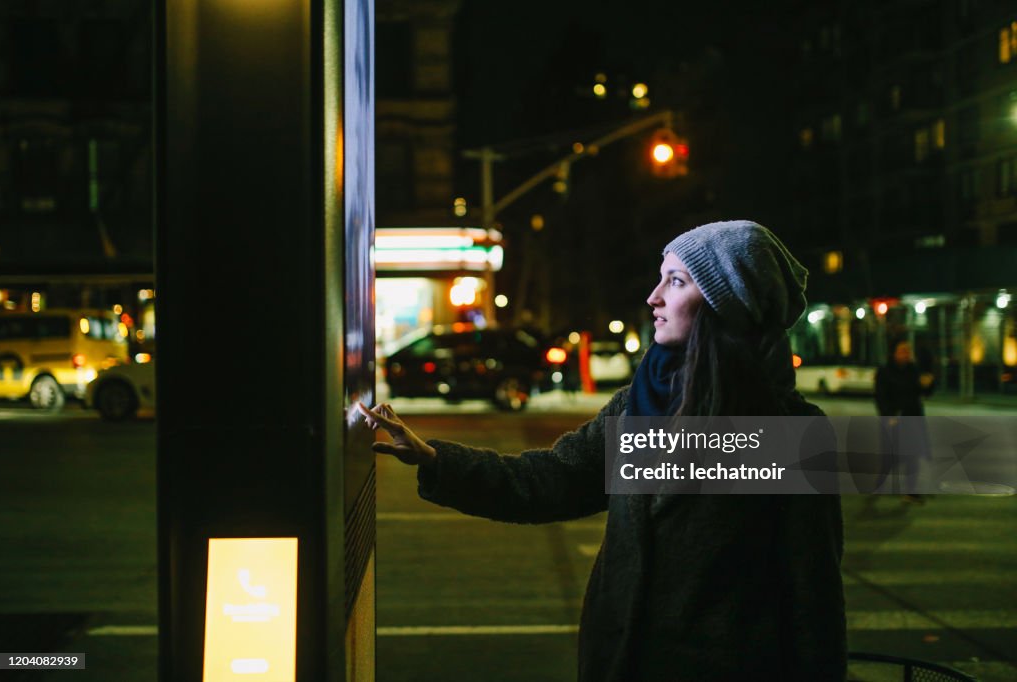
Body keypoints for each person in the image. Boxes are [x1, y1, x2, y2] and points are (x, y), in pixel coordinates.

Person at [359, 220, 847, 682]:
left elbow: (815, 603)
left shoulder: (793, 434)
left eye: (676, 282)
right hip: (618, 664)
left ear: (727, 303)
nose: (653, 297)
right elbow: (550, 481)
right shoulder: (639, 405)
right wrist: (437, 460)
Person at [875, 339, 934, 502]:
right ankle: (879, 485)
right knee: (889, 458)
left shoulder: (913, 370)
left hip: (912, 418)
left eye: (908, 351)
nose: (906, 354)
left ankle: (910, 490)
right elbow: (880, 396)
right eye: (902, 351)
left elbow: (922, 393)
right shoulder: (885, 371)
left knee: (912, 455)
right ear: (894, 353)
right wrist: (888, 415)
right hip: (893, 419)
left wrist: (927, 384)